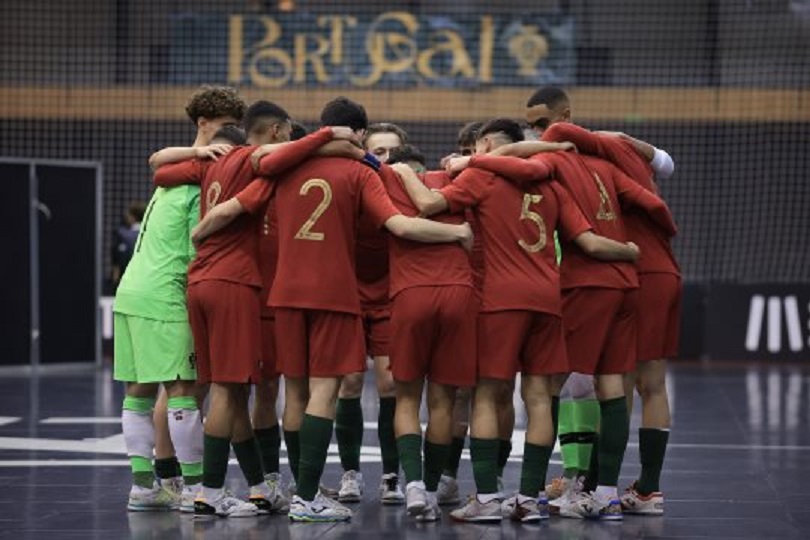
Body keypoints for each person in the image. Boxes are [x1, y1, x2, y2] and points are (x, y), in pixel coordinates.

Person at [196, 96, 474, 522]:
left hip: (283, 292)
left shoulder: (282, 167)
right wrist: (456, 233)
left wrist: (200, 231)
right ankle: (308, 497)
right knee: (326, 391)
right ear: (358, 134)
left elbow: (243, 194)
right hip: (334, 293)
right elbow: (399, 225)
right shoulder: (360, 173)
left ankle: (281, 485)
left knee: (293, 390)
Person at [396, 118, 642, 523]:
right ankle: (530, 500)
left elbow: (428, 205)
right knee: (541, 398)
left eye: (476, 147)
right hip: (548, 298)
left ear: (488, 144)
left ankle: (489, 499)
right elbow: (585, 240)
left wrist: (404, 173)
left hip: (499, 299)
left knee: (489, 395)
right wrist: (630, 250)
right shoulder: (552, 185)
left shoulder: (483, 177)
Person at [475, 110, 678, 520]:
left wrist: (469, 161)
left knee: (546, 385)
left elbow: (513, 161)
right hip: (628, 282)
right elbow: (652, 203)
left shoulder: (553, 162)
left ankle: (528, 495)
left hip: (586, 282)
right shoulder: (608, 164)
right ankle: (601, 491)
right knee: (612, 386)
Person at [113, 85, 246, 513]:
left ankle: (142, 487)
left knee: (139, 392)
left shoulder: (175, 174)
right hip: (166, 293)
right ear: (204, 125)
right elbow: (196, 245)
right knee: (184, 390)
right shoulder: (197, 181)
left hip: (132, 291)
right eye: (225, 126)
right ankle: (195, 490)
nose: (232, 135)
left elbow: (158, 162)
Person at [541, 120, 678, 516]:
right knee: (651, 384)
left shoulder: (588, 167)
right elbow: (664, 170)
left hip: (634, 270)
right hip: (664, 269)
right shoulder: (630, 158)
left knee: (612, 381)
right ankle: (644, 489)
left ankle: (595, 487)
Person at [333, 122, 411, 505]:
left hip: (389, 298)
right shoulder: (351, 183)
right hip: (347, 295)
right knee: (347, 384)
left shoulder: (411, 188)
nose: (386, 159)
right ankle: (350, 474)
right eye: (378, 152)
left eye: (393, 152)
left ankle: (392, 476)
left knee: (390, 386)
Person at [111, 202, 146, 289]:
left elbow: (117, 263)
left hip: (125, 283)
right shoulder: (151, 235)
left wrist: (115, 280)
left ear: (132, 216)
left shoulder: (121, 235)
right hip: (145, 281)